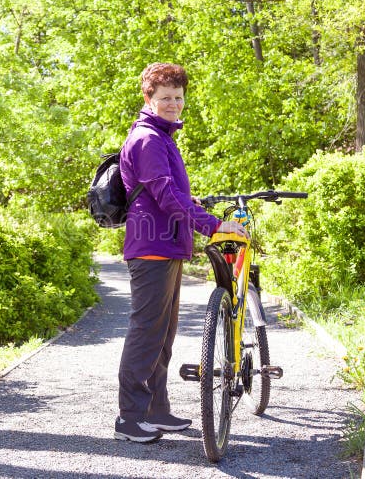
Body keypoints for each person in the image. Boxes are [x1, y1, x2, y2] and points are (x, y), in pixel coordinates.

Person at [114, 63, 249, 443]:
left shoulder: (162, 137)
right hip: (152, 246)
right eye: (165, 98)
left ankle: (156, 411)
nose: (173, 103)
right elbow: (165, 195)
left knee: (163, 335)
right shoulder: (148, 139)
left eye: (178, 97)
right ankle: (129, 418)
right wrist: (213, 225)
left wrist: (199, 209)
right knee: (145, 333)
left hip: (167, 245)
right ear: (148, 98)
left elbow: (172, 193)